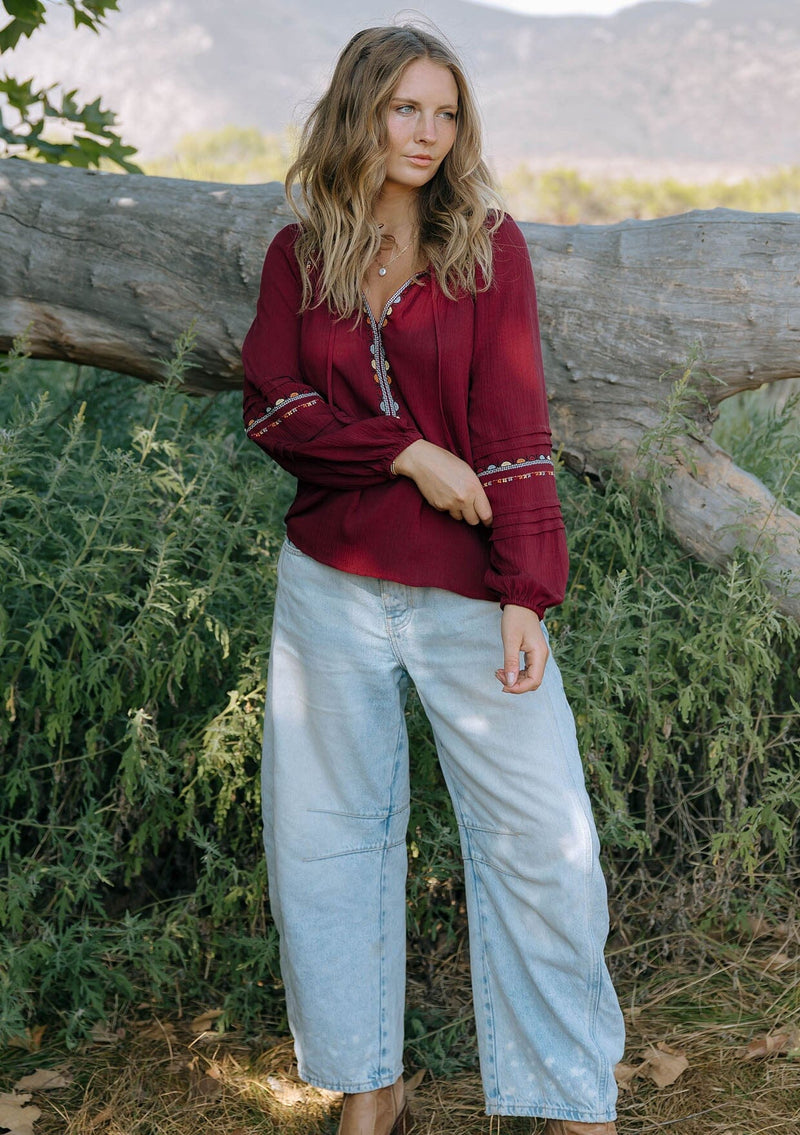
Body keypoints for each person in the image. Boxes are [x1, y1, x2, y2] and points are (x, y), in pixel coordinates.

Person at [241, 24, 625, 1135]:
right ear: (360, 109)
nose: (426, 133)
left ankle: (566, 1100)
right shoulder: (297, 254)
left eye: (444, 113)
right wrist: (404, 450)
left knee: (544, 841)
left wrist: (524, 589)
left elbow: (514, 430)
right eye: (405, 108)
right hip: (328, 585)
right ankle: (372, 1092)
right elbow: (274, 407)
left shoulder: (483, 250)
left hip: (467, 594)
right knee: (327, 841)